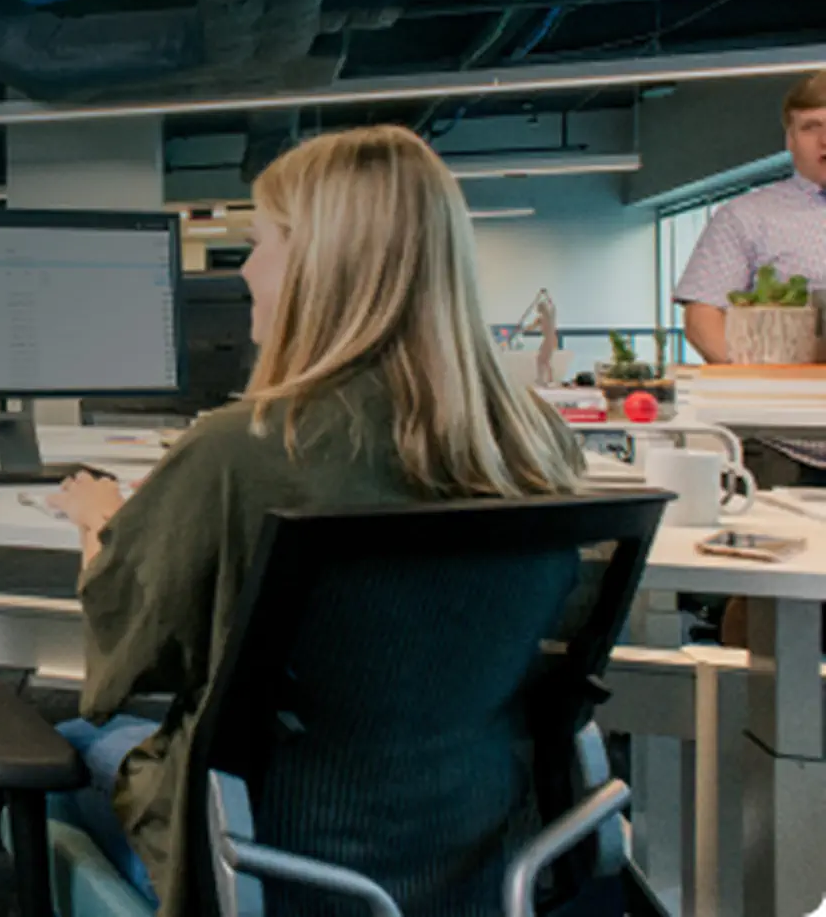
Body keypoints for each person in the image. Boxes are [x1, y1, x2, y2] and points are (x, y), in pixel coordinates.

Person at [43, 124, 586, 917]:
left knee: (73, 743)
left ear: (319, 264)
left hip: (269, 859)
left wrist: (98, 523)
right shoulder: (536, 442)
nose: (245, 273)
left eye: (259, 243)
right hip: (478, 857)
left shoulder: (240, 448)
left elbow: (134, 655)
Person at [673, 69, 826, 489]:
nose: (825, 140)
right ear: (790, 140)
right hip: (783, 447)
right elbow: (703, 316)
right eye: (812, 127)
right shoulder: (746, 217)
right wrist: (758, 388)